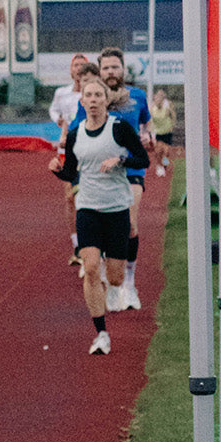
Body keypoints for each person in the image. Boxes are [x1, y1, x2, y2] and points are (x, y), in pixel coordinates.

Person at [49, 71, 149, 355]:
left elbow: (141, 158)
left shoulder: (119, 129)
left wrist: (120, 160)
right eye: (88, 95)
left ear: (106, 101)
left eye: (98, 95)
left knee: (115, 278)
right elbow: (71, 172)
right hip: (88, 208)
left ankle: (114, 278)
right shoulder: (76, 134)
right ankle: (101, 334)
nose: (93, 100)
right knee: (91, 268)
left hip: (117, 207)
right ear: (81, 101)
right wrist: (58, 171)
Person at [96, 48, 152, 310]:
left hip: (131, 171)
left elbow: (147, 129)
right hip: (101, 172)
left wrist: (148, 138)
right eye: (106, 67)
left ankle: (129, 284)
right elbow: (78, 131)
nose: (110, 72)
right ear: (99, 71)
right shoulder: (92, 98)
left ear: (123, 69)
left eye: (115, 67)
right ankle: (111, 282)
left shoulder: (138, 96)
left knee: (129, 224)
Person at [50, 54, 90, 264]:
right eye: (76, 65)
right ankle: (77, 246)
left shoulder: (93, 94)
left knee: (88, 196)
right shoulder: (62, 93)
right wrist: (58, 120)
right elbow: (54, 109)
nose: (78, 69)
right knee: (70, 197)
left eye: (82, 66)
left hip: (89, 146)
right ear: (71, 69)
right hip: (67, 146)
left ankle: (91, 245)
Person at [151, 88, 176, 176]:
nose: (159, 99)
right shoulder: (152, 107)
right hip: (158, 132)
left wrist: (173, 124)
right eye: (157, 97)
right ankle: (159, 166)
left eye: (161, 97)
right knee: (158, 151)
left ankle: (164, 164)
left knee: (166, 151)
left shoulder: (167, 105)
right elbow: (149, 118)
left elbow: (173, 115)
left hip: (167, 131)